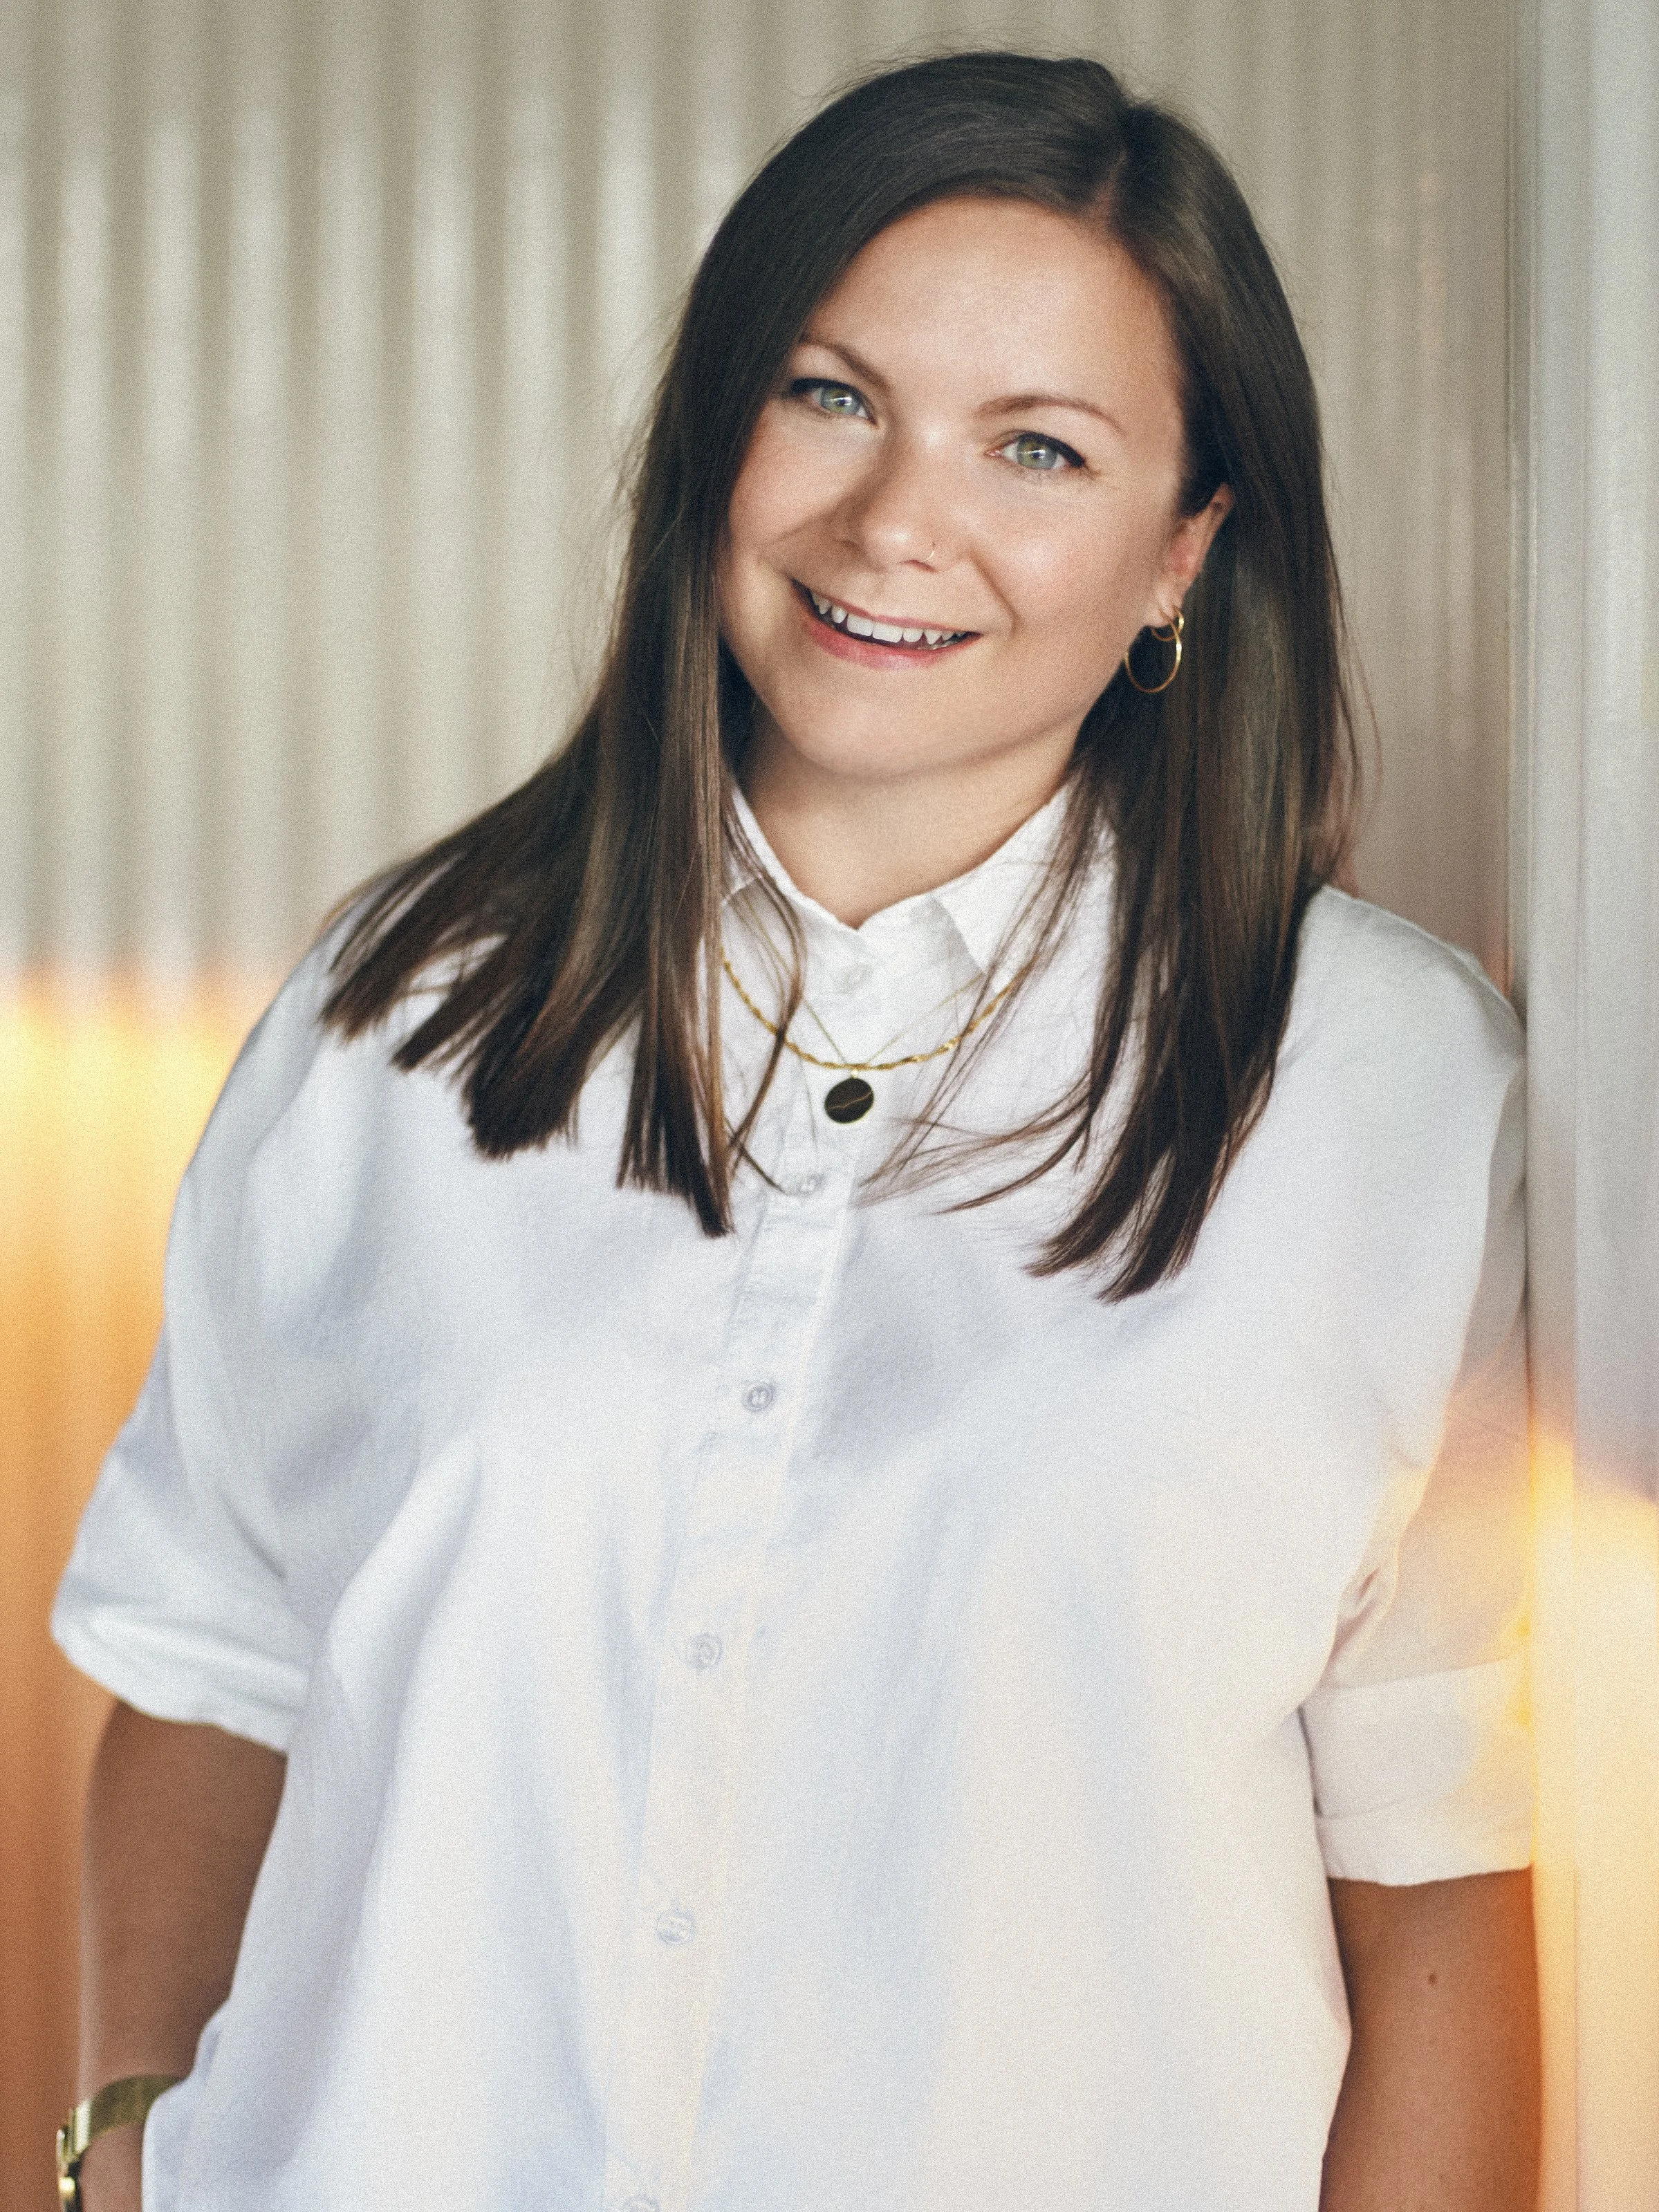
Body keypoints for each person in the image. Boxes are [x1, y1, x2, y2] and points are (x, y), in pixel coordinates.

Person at [54, 49, 1539, 2212]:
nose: (895, 524)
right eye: (832, 397)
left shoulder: (1383, 1085)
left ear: (1181, 551)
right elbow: (207, 1678)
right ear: (715, 439)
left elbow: (1429, 1884)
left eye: (1037, 447)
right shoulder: (398, 1009)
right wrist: (110, 2153)